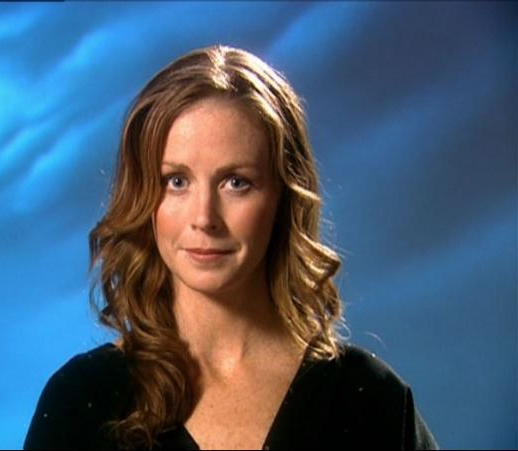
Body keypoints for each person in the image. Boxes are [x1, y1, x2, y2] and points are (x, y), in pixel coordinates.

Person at [23, 45, 438, 450]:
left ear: (284, 197)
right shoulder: (80, 404)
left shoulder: (372, 402)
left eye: (236, 182)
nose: (204, 217)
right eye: (176, 181)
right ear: (144, 198)